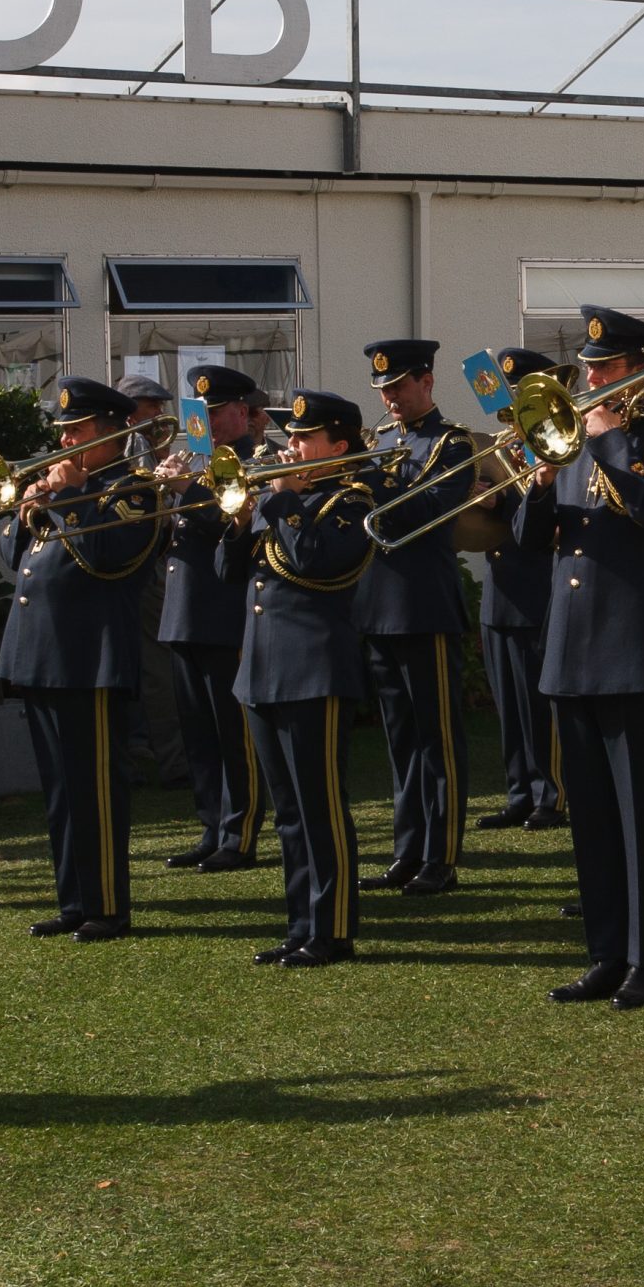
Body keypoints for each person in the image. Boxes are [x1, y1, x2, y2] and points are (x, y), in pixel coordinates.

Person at [521, 305, 644, 1010]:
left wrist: (609, 443)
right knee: (593, 816)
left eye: (602, 368)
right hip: (571, 647)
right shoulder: (574, 442)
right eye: (589, 367)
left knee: (640, 814)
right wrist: (539, 483)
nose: (587, 379)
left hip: (634, 644)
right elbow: (531, 537)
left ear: (639, 369)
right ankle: (604, 951)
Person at [0, 377, 163, 943]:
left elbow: (109, 561)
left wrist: (67, 499)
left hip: (90, 658)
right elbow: (10, 561)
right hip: (42, 653)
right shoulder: (66, 488)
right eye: (62, 430)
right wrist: (23, 512)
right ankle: (73, 900)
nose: (62, 441)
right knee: (61, 791)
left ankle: (108, 906)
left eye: (75, 431)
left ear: (112, 434)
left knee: (94, 790)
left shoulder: (133, 491)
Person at [228, 390, 378, 967]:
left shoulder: (352, 500)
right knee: (288, 810)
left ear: (338, 447)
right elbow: (227, 574)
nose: (290, 448)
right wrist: (237, 521)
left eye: (303, 439)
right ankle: (300, 924)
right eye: (291, 437)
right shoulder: (282, 500)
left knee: (320, 805)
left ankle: (333, 927)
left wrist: (283, 502)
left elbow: (318, 562)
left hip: (315, 668)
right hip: (263, 667)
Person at [353, 339, 476, 896]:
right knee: (400, 739)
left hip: (425, 603)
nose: (391, 398)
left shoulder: (452, 444)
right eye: (383, 389)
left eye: (399, 387)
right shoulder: (380, 443)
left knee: (438, 739)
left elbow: (431, 507)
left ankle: (441, 856)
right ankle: (407, 849)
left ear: (426, 382)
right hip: (378, 603)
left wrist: (372, 479)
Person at [156, 365, 266, 871]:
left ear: (242, 413)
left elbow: (231, 520)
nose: (210, 422)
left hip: (225, 610)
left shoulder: (254, 461)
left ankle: (239, 833)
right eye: (200, 413)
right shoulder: (195, 462)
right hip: (184, 610)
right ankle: (210, 826)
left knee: (232, 730)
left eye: (217, 412)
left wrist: (184, 491)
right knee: (197, 730)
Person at [478, 348, 567, 832]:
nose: (509, 409)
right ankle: (519, 791)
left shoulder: (558, 446)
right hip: (500, 589)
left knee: (538, 702)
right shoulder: (502, 447)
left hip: (539, 586)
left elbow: (545, 522)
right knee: (508, 703)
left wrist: (505, 498)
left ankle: (551, 793)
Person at [115, 373, 188, 795]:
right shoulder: (123, 450)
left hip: (152, 567)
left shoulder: (154, 449)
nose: (160, 416)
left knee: (159, 669)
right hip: (127, 570)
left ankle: (172, 760)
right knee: (145, 670)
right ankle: (148, 758)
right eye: (151, 408)